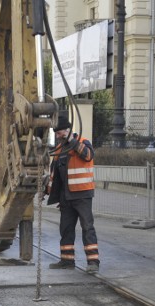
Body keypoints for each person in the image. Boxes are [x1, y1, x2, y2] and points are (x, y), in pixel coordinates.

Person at [45, 116, 100, 273]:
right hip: (66, 197)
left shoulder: (82, 142)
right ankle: (67, 260)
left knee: (87, 227)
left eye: (59, 132)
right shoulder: (59, 150)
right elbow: (55, 176)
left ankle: (93, 262)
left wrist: (72, 141)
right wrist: (47, 191)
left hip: (82, 195)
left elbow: (88, 155)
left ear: (67, 131)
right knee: (66, 229)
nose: (57, 136)